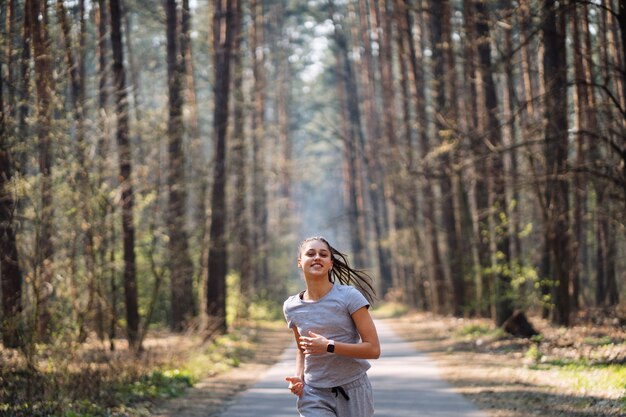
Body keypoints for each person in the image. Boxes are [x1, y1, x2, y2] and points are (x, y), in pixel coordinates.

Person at [283, 236, 380, 417]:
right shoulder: (291, 306)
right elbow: (302, 348)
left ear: (331, 263)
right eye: (310, 254)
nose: (317, 257)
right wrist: (299, 376)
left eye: (323, 254)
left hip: (353, 389)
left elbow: (373, 349)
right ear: (300, 262)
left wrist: (329, 345)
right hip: (314, 393)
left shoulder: (349, 297)